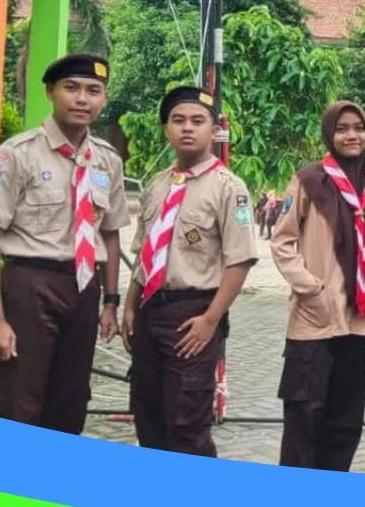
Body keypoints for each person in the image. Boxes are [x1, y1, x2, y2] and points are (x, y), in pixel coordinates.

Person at [0, 53, 127, 433]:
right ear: (51, 92)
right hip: (30, 287)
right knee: (17, 401)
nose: (82, 99)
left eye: (94, 91)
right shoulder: (15, 155)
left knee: (70, 402)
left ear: (104, 99)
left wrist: (110, 302)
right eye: (71, 88)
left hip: (82, 288)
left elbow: (110, 233)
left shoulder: (107, 160)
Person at [120, 86, 257, 456]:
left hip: (193, 316)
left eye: (198, 121)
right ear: (166, 128)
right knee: (148, 414)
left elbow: (240, 260)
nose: (187, 128)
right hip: (150, 313)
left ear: (214, 130)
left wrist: (211, 319)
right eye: (178, 120)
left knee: (187, 423)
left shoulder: (230, 188)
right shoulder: (158, 185)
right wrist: (130, 305)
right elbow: (145, 251)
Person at [271, 101, 365, 471]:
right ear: (330, 134)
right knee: (303, 421)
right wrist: (312, 288)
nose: (352, 135)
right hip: (314, 324)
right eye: (342, 128)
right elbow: (282, 241)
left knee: (345, 425)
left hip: (358, 325)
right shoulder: (309, 180)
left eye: (359, 127)